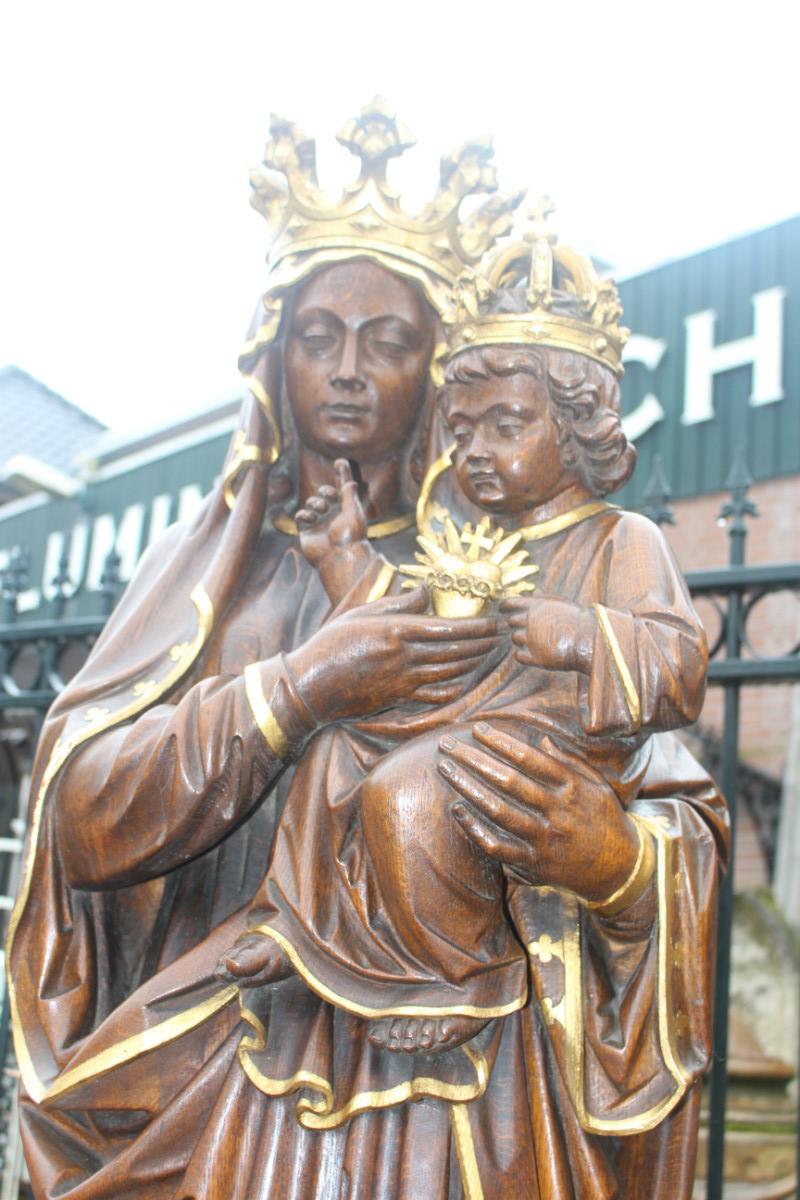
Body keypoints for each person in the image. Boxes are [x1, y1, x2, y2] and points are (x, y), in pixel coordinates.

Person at [7, 108, 728, 1200]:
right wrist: (297, 689)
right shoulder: (204, 572)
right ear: (270, 361)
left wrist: (617, 866)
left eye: (389, 341)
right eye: (316, 337)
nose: (348, 371)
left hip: (482, 1084)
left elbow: (663, 790)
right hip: (234, 1058)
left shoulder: (542, 561)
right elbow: (78, 821)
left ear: (442, 364)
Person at [218, 232, 709, 1067]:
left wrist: (586, 634)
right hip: (465, 721)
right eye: (464, 429)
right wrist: (344, 560)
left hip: (557, 745)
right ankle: (313, 932)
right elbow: (413, 627)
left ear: (579, 424)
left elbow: (680, 665)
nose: (477, 450)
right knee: (336, 748)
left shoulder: (622, 539)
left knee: (408, 792)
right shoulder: (468, 535)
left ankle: (461, 972)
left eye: (506, 426)